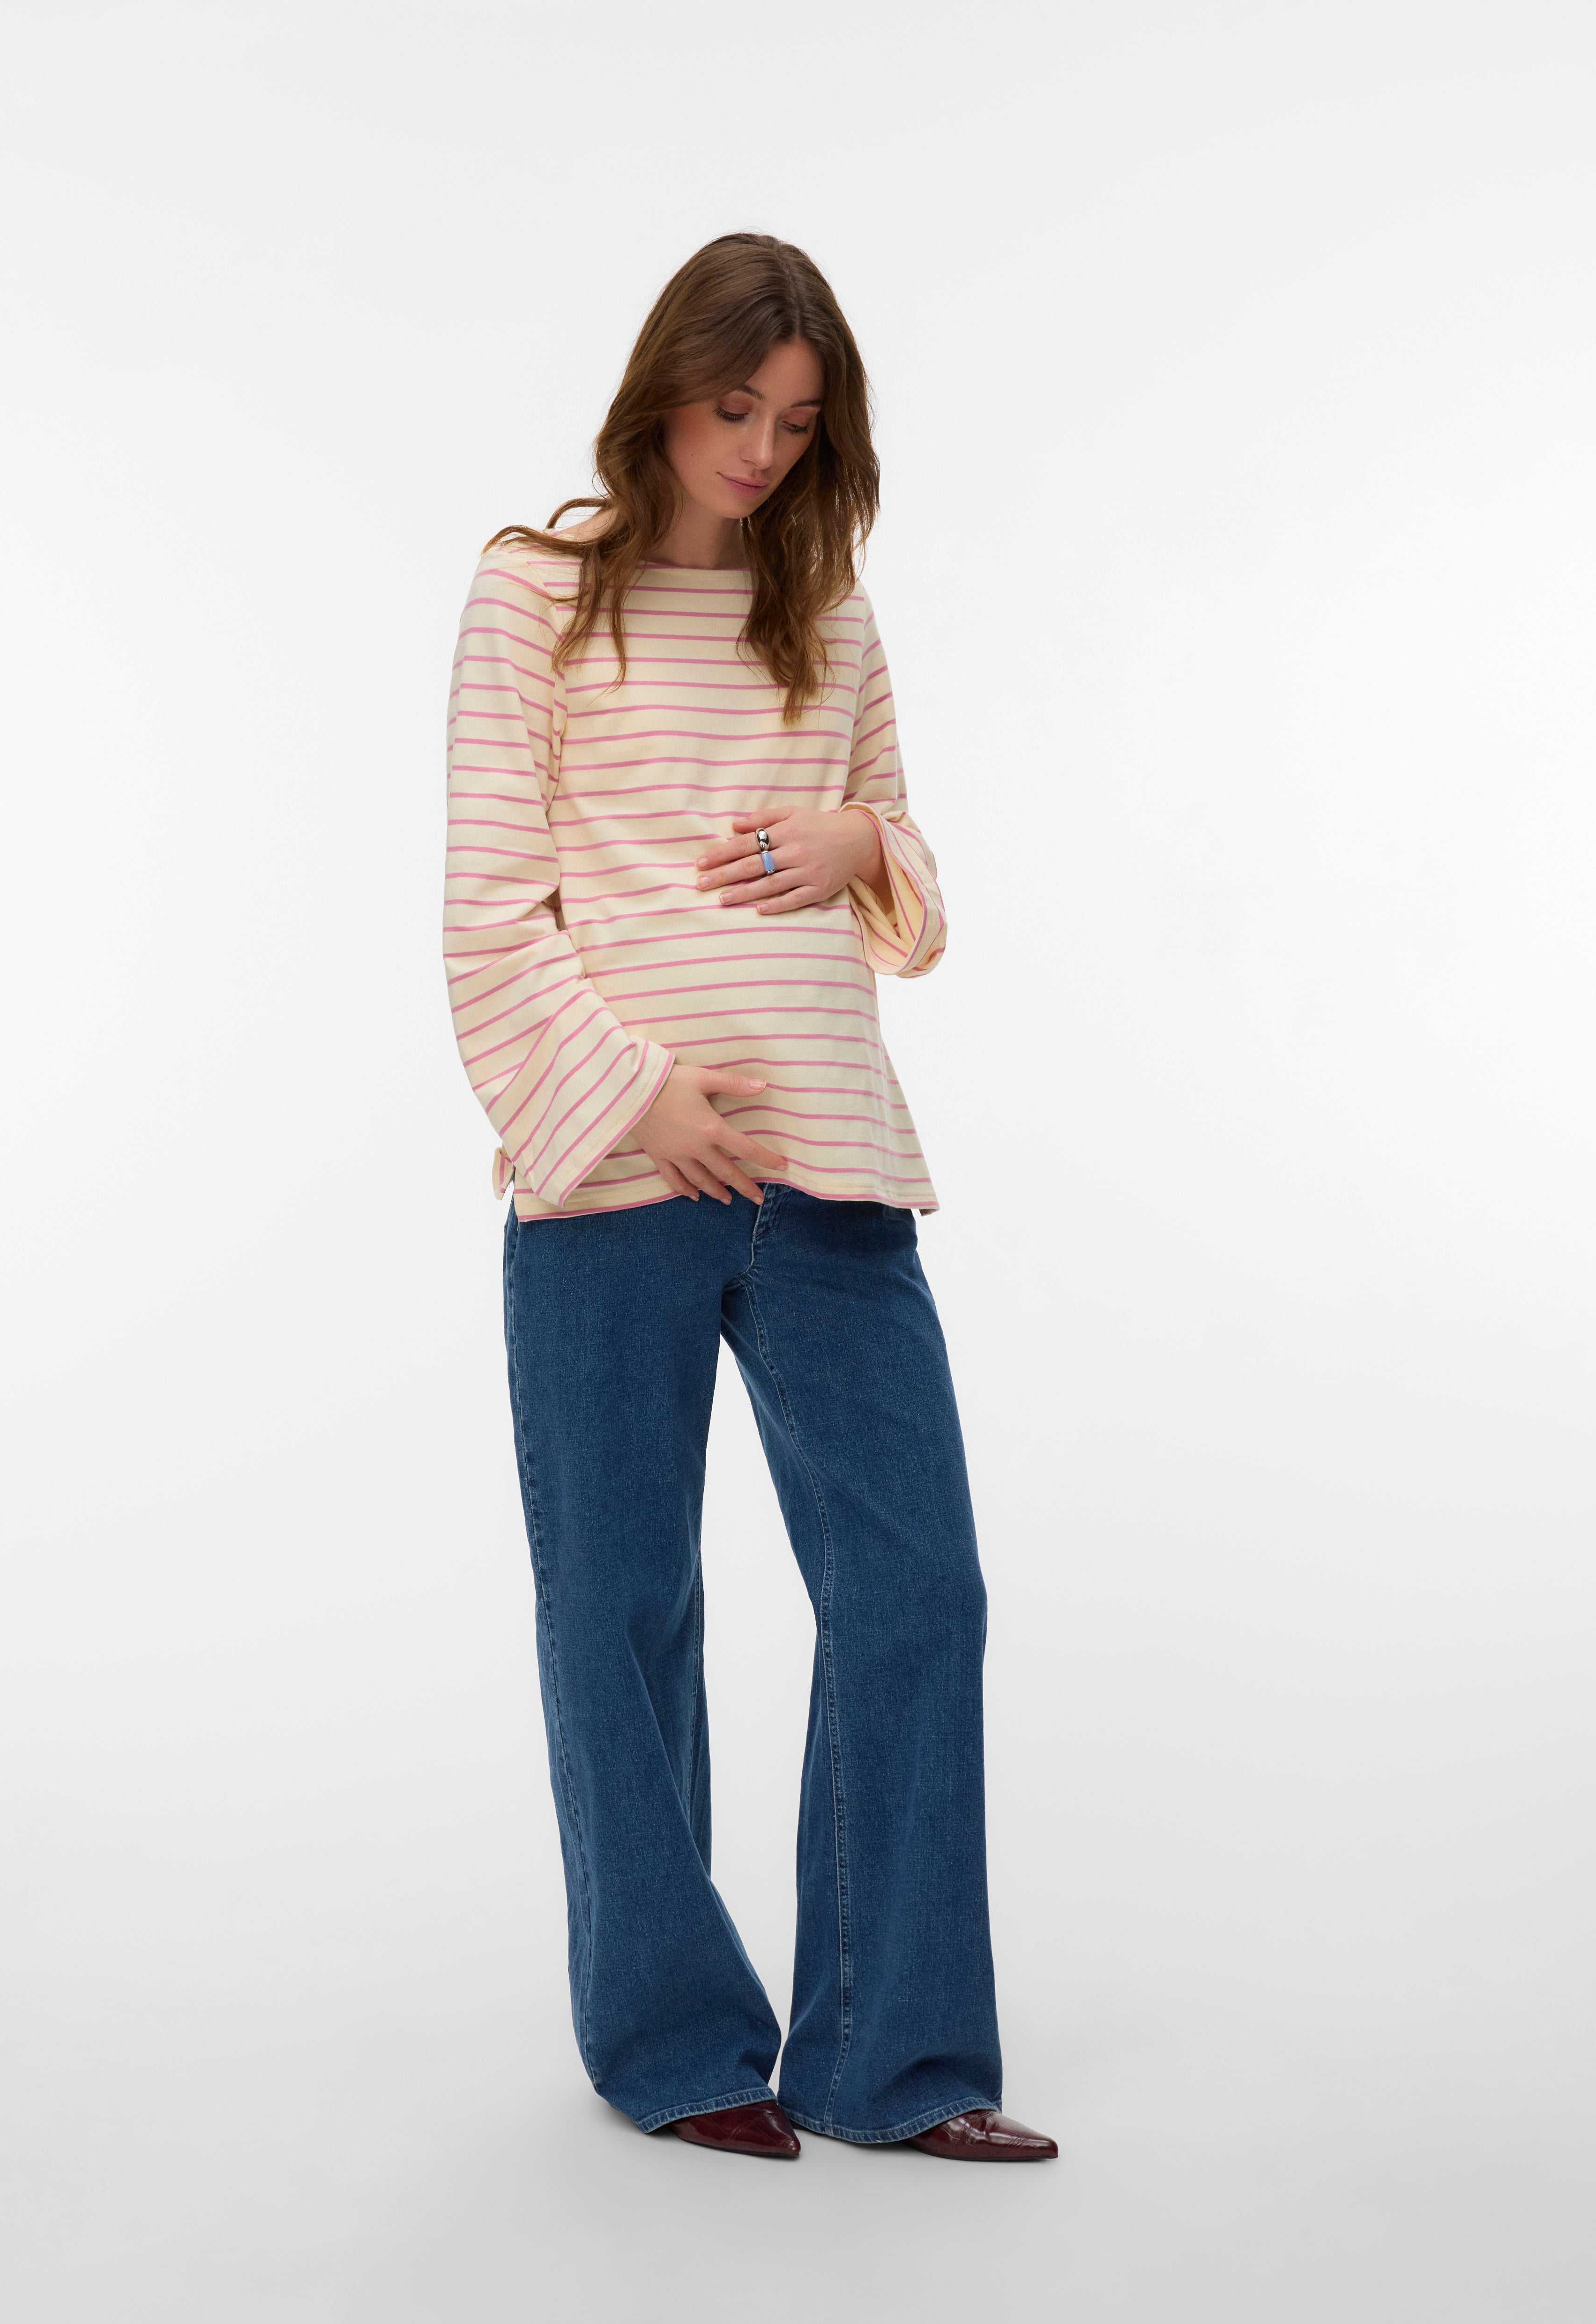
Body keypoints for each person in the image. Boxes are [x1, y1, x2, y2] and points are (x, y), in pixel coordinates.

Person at [442, 232, 1056, 2164]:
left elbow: (912, 903)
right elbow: (489, 915)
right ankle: (678, 2041)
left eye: (798, 423)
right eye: (735, 409)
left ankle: (892, 2056)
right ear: (664, 392)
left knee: (918, 1589)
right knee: (622, 1607)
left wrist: (861, 833)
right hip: (614, 1177)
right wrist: (640, 1095)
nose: (764, 450)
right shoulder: (534, 594)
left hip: (834, 1173)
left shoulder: (829, 613)